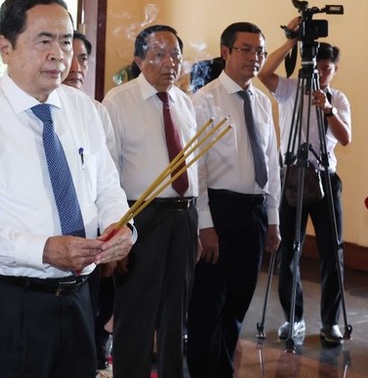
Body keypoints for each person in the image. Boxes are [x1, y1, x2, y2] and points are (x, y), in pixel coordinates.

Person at [0, 0, 133, 377]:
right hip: (7, 301)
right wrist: (42, 249)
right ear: (5, 47)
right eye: (43, 41)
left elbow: (107, 185)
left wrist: (121, 226)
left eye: (65, 40)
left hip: (76, 299)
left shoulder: (83, 110)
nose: (58, 53)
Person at [101, 24, 198, 378]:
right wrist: (116, 231)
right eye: (158, 54)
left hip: (183, 218)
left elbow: (194, 171)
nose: (169, 63)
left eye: (175, 55)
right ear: (139, 59)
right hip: (141, 216)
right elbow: (107, 171)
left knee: (177, 313)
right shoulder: (118, 100)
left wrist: (199, 225)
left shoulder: (185, 102)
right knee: (137, 312)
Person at [186, 22, 282, 377]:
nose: (254, 58)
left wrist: (273, 219)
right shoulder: (204, 101)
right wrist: (205, 226)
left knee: (239, 303)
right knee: (208, 305)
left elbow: (271, 162)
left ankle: (222, 370)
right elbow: (197, 170)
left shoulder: (262, 101)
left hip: (253, 213)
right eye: (245, 49)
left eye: (259, 50)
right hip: (219, 212)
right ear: (226, 52)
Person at [258, 17, 352, 344]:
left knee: (332, 252)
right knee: (288, 250)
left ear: (334, 70)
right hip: (292, 176)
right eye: (319, 67)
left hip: (326, 177)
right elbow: (264, 73)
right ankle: (293, 317)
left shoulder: (337, 100)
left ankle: (330, 323)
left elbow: (346, 138)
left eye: (328, 69)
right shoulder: (289, 89)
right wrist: (292, 41)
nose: (322, 73)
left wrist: (327, 109)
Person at [62, 30, 115, 371]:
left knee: (89, 317)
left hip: (90, 240)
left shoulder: (94, 111)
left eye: (83, 58)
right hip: (39, 253)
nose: (77, 65)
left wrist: (115, 230)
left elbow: (108, 179)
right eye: (72, 55)